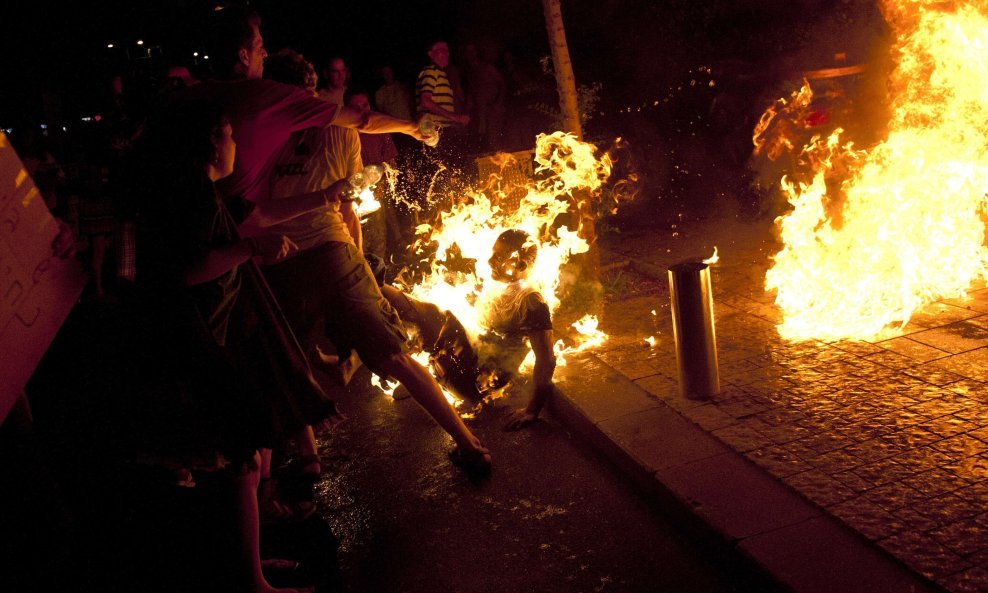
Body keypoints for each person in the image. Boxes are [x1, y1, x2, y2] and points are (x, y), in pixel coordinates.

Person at [256, 48, 491, 475]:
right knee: (394, 355)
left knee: (286, 361)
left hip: (282, 258)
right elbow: (346, 203)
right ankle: (468, 443)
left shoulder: (259, 128)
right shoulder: (337, 126)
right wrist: (359, 258)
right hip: (329, 251)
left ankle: (306, 459)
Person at [381, 229, 556, 431]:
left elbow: (547, 359)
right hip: (460, 365)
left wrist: (532, 410)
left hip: (477, 383)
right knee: (439, 309)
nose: (489, 261)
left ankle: (372, 282)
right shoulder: (501, 285)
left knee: (434, 315)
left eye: (498, 257)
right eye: (492, 253)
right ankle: (426, 379)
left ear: (520, 264)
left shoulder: (531, 301)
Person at [346, 88, 402, 259]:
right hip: (350, 198)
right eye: (356, 106)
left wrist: (381, 175)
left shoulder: (380, 129)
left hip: (376, 194)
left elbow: (392, 162)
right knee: (356, 247)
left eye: (365, 104)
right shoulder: (344, 132)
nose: (363, 110)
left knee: (377, 245)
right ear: (346, 110)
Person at [416, 40, 469, 127]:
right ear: (430, 54)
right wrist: (455, 117)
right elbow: (425, 101)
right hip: (434, 130)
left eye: (447, 51)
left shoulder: (441, 73)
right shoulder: (431, 71)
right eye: (442, 50)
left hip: (440, 129)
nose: (447, 54)